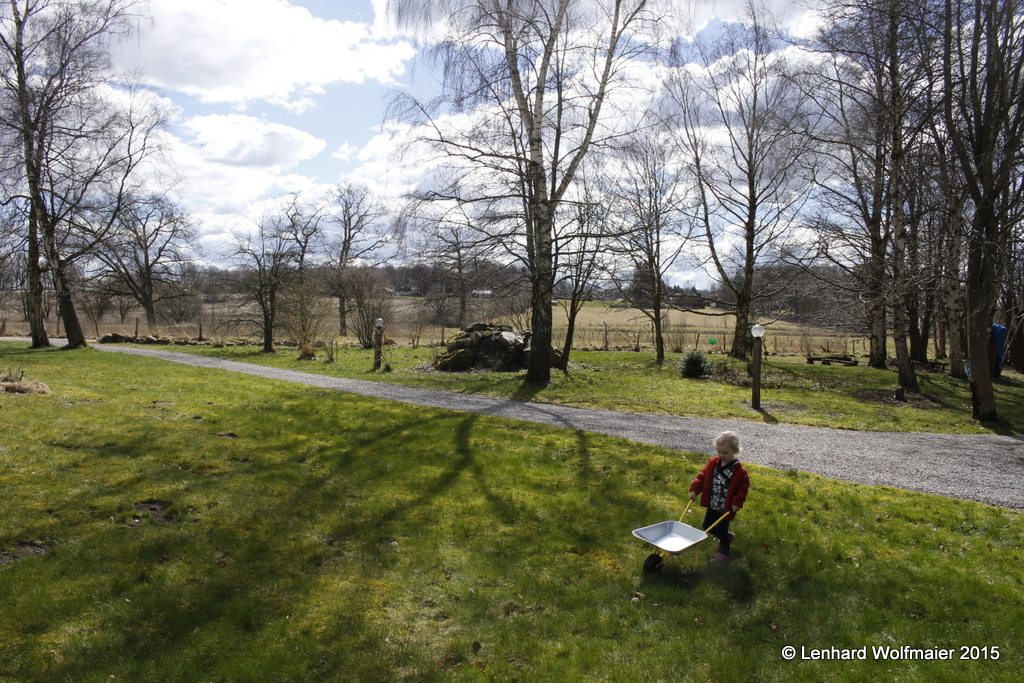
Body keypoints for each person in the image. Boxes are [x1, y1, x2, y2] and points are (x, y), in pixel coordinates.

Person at [688, 431, 750, 562]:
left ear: (735, 450)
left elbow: (742, 489)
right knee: (707, 525)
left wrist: (737, 503)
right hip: (713, 503)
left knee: (721, 529)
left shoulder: (738, 471)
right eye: (719, 452)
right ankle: (726, 537)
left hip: (726, 507)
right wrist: (694, 490)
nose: (721, 455)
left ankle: (725, 553)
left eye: (725, 453)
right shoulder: (713, 464)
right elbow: (702, 477)